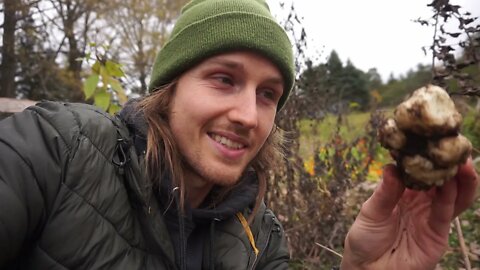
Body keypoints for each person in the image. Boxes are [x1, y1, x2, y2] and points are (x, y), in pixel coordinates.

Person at [0, 0, 477, 269]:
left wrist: (357, 267)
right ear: (168, 89)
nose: (249, 115)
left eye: (268, 94)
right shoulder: (59, 148)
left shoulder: (260, 242)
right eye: (224, 79)